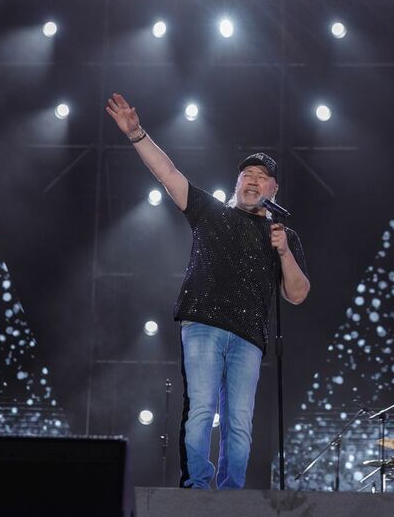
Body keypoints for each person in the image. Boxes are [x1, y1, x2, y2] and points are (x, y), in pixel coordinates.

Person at [106, 93, 310, 489]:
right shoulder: (211, 212)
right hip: (203, 324)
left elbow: (298, 294)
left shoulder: (282, 235)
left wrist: (284, 251)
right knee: (201, 408)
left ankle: (232, 498)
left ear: (274, 188)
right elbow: (168, 173)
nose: (252, 180)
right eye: (246, 175)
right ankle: (197, 490)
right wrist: (137, 134)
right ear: (237, 183)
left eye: (261, 176)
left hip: (249, 336)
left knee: (240, 422)